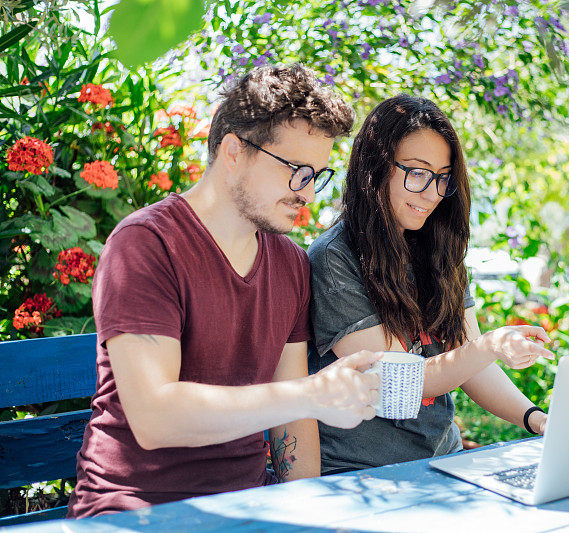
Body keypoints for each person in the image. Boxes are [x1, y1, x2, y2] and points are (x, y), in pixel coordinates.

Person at [67, 64, 381, 518]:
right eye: (297, 171)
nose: (308, 193)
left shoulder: (290, 264)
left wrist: (311, 513)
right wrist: (310, 394)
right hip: (134, 511)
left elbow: (292, 419)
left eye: (317, 175)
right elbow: (155, 417)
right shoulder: (145, 244)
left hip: (248, 508)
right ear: (234, 151)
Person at [307, 94, 554, 475]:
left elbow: (469, 361)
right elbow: (403, 379)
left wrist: (536, 420)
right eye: (417, 172)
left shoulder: (439, 249)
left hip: (443, 461)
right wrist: (491, 346)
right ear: (375, 167)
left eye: (442, 178)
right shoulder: (334, 259)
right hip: (360, 474)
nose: (432, 193)